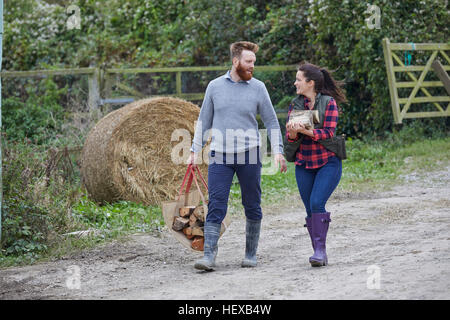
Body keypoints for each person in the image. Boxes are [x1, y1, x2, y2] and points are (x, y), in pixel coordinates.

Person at [189, 41, 287, 271]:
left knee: (252, 204)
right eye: (248, 61)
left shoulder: (258, 88)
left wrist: (278, 151)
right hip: (220, 155)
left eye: (254, 62)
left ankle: (250, 253)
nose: (253, 66)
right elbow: (203, 121)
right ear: (235, 61)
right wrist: (194, 150)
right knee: (216, 203)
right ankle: (209, 257)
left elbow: (272, 121)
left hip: (250, 154)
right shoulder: (214, 87)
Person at [285, 62, 347, 267]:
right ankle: (317, 252)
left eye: (299, 80)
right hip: (304, 163)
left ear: (310, 83)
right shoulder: (296, 105)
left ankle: (320, 250)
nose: (295, 83)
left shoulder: (329, 103)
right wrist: (293, 133)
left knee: (316, 203)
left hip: (328, 162)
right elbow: (291, 138)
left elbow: (327, 133)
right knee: (309, 209)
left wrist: (304, 130)